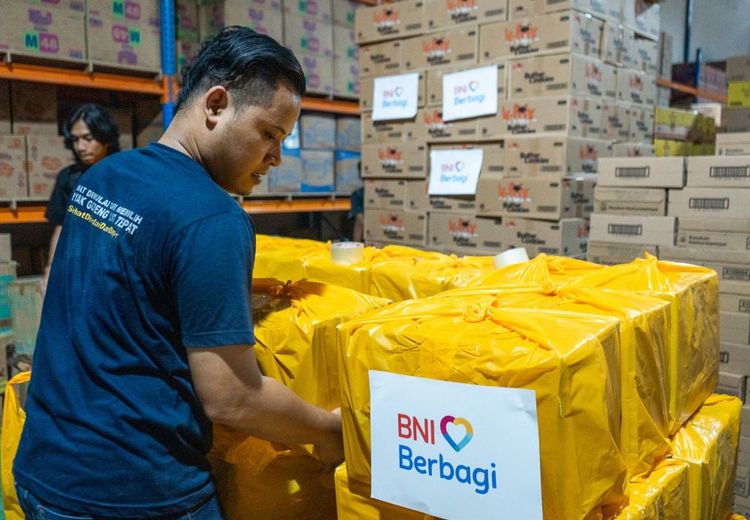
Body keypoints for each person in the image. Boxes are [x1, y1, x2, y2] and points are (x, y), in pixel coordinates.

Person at [14, 27, 343, 519]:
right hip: (133, 492)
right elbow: (233, 398)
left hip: (43, 469)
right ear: (216, 104)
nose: (275, 157)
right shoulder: (212, 218)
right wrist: (330, 430)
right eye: (269, 134)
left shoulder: (106, 175)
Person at [43, 103, 120, 292]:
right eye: (75, 140)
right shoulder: (68, 178)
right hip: (81, 267)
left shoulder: (125, 174)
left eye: (88, 138)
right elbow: (61, 226)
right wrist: (51, 268)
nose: (80, 147)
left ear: (106, 137)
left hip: (119, 267)